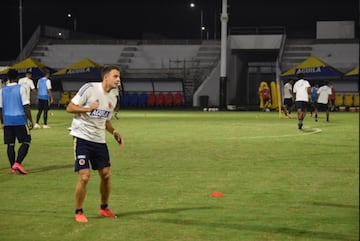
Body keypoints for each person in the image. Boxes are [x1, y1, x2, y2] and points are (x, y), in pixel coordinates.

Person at [66, 65, 124, 223]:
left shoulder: (113, 97)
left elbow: (106, 120)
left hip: (99, 140)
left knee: (106, 175)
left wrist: (114, 132)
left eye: (119, 77)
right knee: (84, 177)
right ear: (106, 77)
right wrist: (87, 109)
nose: (118, 80)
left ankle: (104, 208)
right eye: (115, 76)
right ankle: (79, 211)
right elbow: (70, 107)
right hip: (82, 137)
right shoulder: (89, 88)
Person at [0, 69, 33, 174]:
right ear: (17, 77)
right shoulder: (21, 88)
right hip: (19, 119)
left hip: (7, 119)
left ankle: (12, 167)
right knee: (26, 140)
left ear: (8, 78)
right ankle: (18, 163)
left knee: (10, 144)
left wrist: (2, 121)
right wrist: (30, 120)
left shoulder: (2, 90)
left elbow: (0, 108)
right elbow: (26, 106)